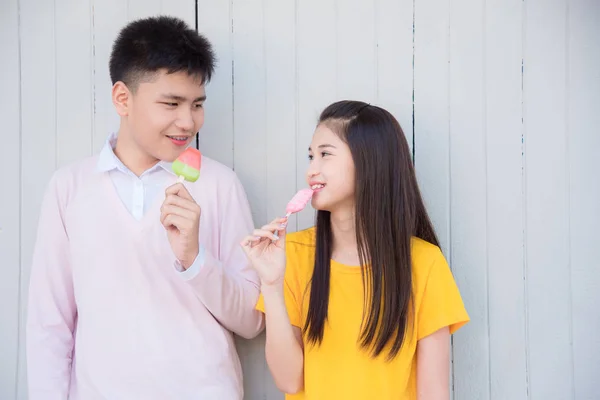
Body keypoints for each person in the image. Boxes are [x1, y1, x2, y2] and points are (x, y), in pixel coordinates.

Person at [26, 16, 263, 399]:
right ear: (123, 98)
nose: (188, 122)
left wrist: (194, 259)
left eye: (197, 105)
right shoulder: (69, 188)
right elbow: (50, 325)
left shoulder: (220, 185)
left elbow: (252, 319)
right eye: (171, 103)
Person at [241, 100, 470, 399]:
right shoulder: (291, 256)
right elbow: (289, 382)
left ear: (369, 161)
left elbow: (434, 392)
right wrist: (270, 286)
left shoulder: (424, 263)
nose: (312, 169)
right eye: (310, 156)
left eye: (325, 155)